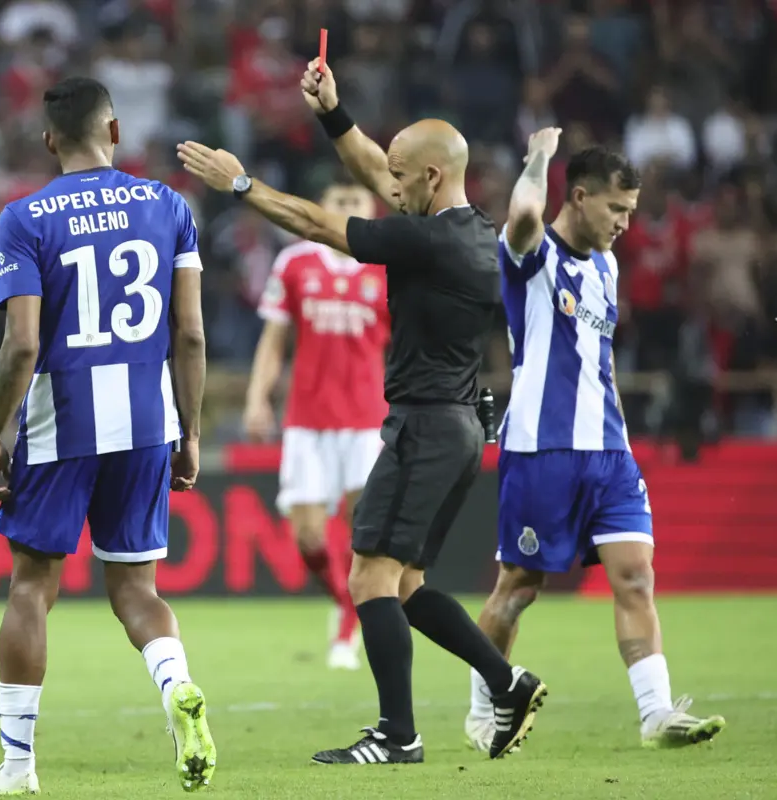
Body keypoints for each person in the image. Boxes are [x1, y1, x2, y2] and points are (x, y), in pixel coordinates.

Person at [177, 59, 546, 766]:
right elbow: (380, 168)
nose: (390, 185)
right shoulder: (470, 230)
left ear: (431, 179)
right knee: (405, 585)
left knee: (369, 580)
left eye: (403, 177)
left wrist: (241, 185)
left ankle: (398, 735)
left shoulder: (423, 240)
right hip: (461, 424)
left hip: (426, 423)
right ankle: (508, 681)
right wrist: (332, 114)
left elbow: (318, 222)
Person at [0, 77, 216, 795]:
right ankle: (177, 685)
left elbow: (21, 347)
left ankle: (19, 766)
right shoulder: (170, 205)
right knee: (138, 591)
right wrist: (192, 428)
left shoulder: (24, 217)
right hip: (148, 423)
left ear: (49, 139)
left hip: (61, 425)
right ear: (114, 132)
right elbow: (192, 333)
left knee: (31, 588)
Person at [463, 129, 727, 752]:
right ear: (579, 197)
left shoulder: (607, 266)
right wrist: (537, 156)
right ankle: (484, 707)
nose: (625, 225)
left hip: (610, 451)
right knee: (518, 589)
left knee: (635, 576)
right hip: (540, 450)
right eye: (616, 209)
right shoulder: (529, 256)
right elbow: (526, 211)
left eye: (631, 212)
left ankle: (656, 714)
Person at [246, 178, 389, 670]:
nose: (347, 208)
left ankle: (347, 631)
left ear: (369, 209)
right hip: (307, 419)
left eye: (356, 201)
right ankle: (343, 602)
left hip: (367, 420)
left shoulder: (387, 265)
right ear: (321, 207)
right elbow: (273, 340)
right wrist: (257, 397)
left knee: (360, 535)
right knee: (308, 537)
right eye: (338, 200)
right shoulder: (296, 262)